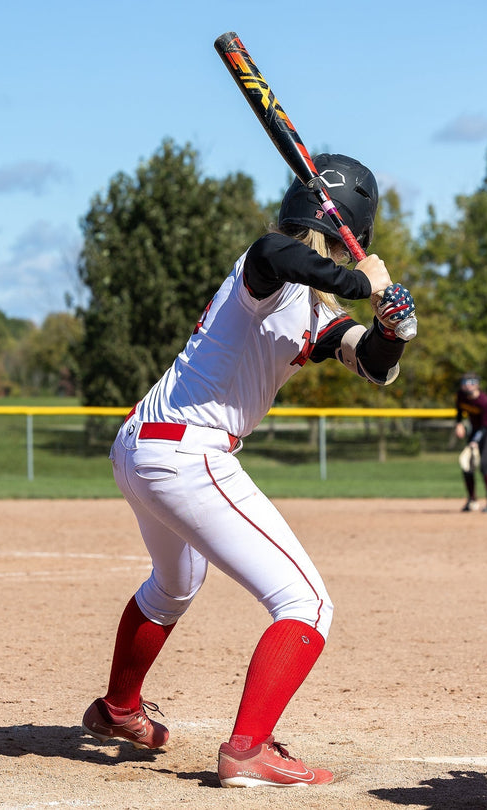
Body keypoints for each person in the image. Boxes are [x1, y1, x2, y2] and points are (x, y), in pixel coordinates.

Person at [80, 154, 417, 789]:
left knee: (175, 585)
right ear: (354, 229)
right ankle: (248, 750)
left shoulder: (314, 310)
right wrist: (359, 280)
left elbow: (371, 361)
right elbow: (272, 251)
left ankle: (119, 707)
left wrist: (392, 331)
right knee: (306, 604)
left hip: (145, 447)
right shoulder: (266, 271)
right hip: (187, 453)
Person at [454, 373, 487, 513]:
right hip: (476, 430)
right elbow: (459, 411)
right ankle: (472, 500)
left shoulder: (485, 401)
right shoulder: (461, 396)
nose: (467, 385)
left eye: (471, 382)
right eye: (464, 382)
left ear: (477, 384)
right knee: (467, 465)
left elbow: (486, 426)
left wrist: (475, 440)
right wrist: (459, 423)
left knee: (485, 464)